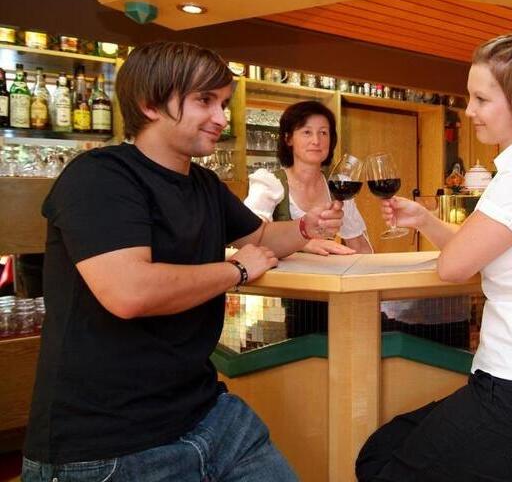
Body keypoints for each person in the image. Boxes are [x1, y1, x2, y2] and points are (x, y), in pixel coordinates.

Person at [22, 41, 344, 482]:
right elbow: (130, 292)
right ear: (149, 103)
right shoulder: (99, 176)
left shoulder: (205, 184)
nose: (222, 118)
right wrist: (237, 270)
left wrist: (306, 227)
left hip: (207, 413)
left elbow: (261, 235)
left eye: (224, 104)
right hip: (108, 444)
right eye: (205, 101)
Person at [355, 33, 512, 481]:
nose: (468, 110)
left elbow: (454, 266)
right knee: (379, 453)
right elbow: (475, 247)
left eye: (481, 99)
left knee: (383, 469)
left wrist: (435, 232)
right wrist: (425, 220)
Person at [244, 100, 370, 338]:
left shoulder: (338, 188)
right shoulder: (270, 182)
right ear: (288, 138)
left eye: (323, 133)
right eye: (306, 132)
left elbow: (362, 249)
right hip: (286, 302)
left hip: (334, 295)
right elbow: (247, 238)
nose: (316, 140)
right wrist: (305, 242)